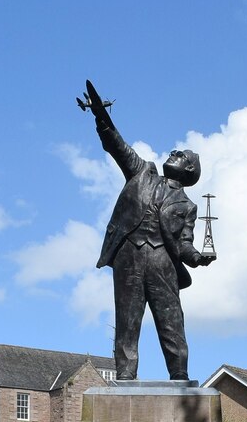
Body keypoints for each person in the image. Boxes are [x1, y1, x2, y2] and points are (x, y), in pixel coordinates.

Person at [83, 81, 215, 381]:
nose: (174, 153)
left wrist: (197, 258)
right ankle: (125, 377)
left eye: (181, 155)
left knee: (171, 322)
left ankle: (180, 377)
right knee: (127, 322)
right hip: (128, 256)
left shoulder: (188, 206)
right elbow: (117, 145)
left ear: (190, 171)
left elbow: (184, 244)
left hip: (162, 264)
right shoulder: (142, 172)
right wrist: (101, 117)